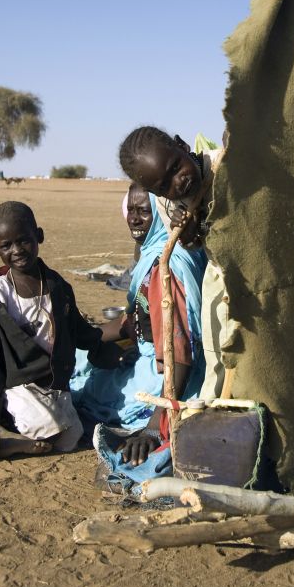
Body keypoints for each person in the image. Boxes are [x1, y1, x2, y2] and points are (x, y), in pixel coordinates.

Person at [0, 201, 125, 463]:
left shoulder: (57, 288)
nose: (17, 250)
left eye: (24, 240)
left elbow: (81, 333)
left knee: (70, 438)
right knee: (44, 425)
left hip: (54, 387)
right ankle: (3, 433)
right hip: (17, 387)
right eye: (6, 246)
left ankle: (14, 437)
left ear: (38, 236)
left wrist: (123, 328)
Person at [71, 184, 207, 468]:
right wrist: (81, 336)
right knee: (79, 357)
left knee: (83, 390)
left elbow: (179, 350)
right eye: (130, 210)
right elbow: (130, 324)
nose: (134, 219)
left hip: (165, 378)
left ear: (161, 213)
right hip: (152, 357)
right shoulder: (164, 253)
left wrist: (154, 425)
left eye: (144, 211)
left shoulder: (165, 267)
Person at [118, 126, 230, 400]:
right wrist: (191, 234)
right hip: (221, 276)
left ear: (181, 145)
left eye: (176, 168)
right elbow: (192, 245)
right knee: (221, 345)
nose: (177, 184)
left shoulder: (225, 166)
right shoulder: (167, 205)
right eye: (163, 186)